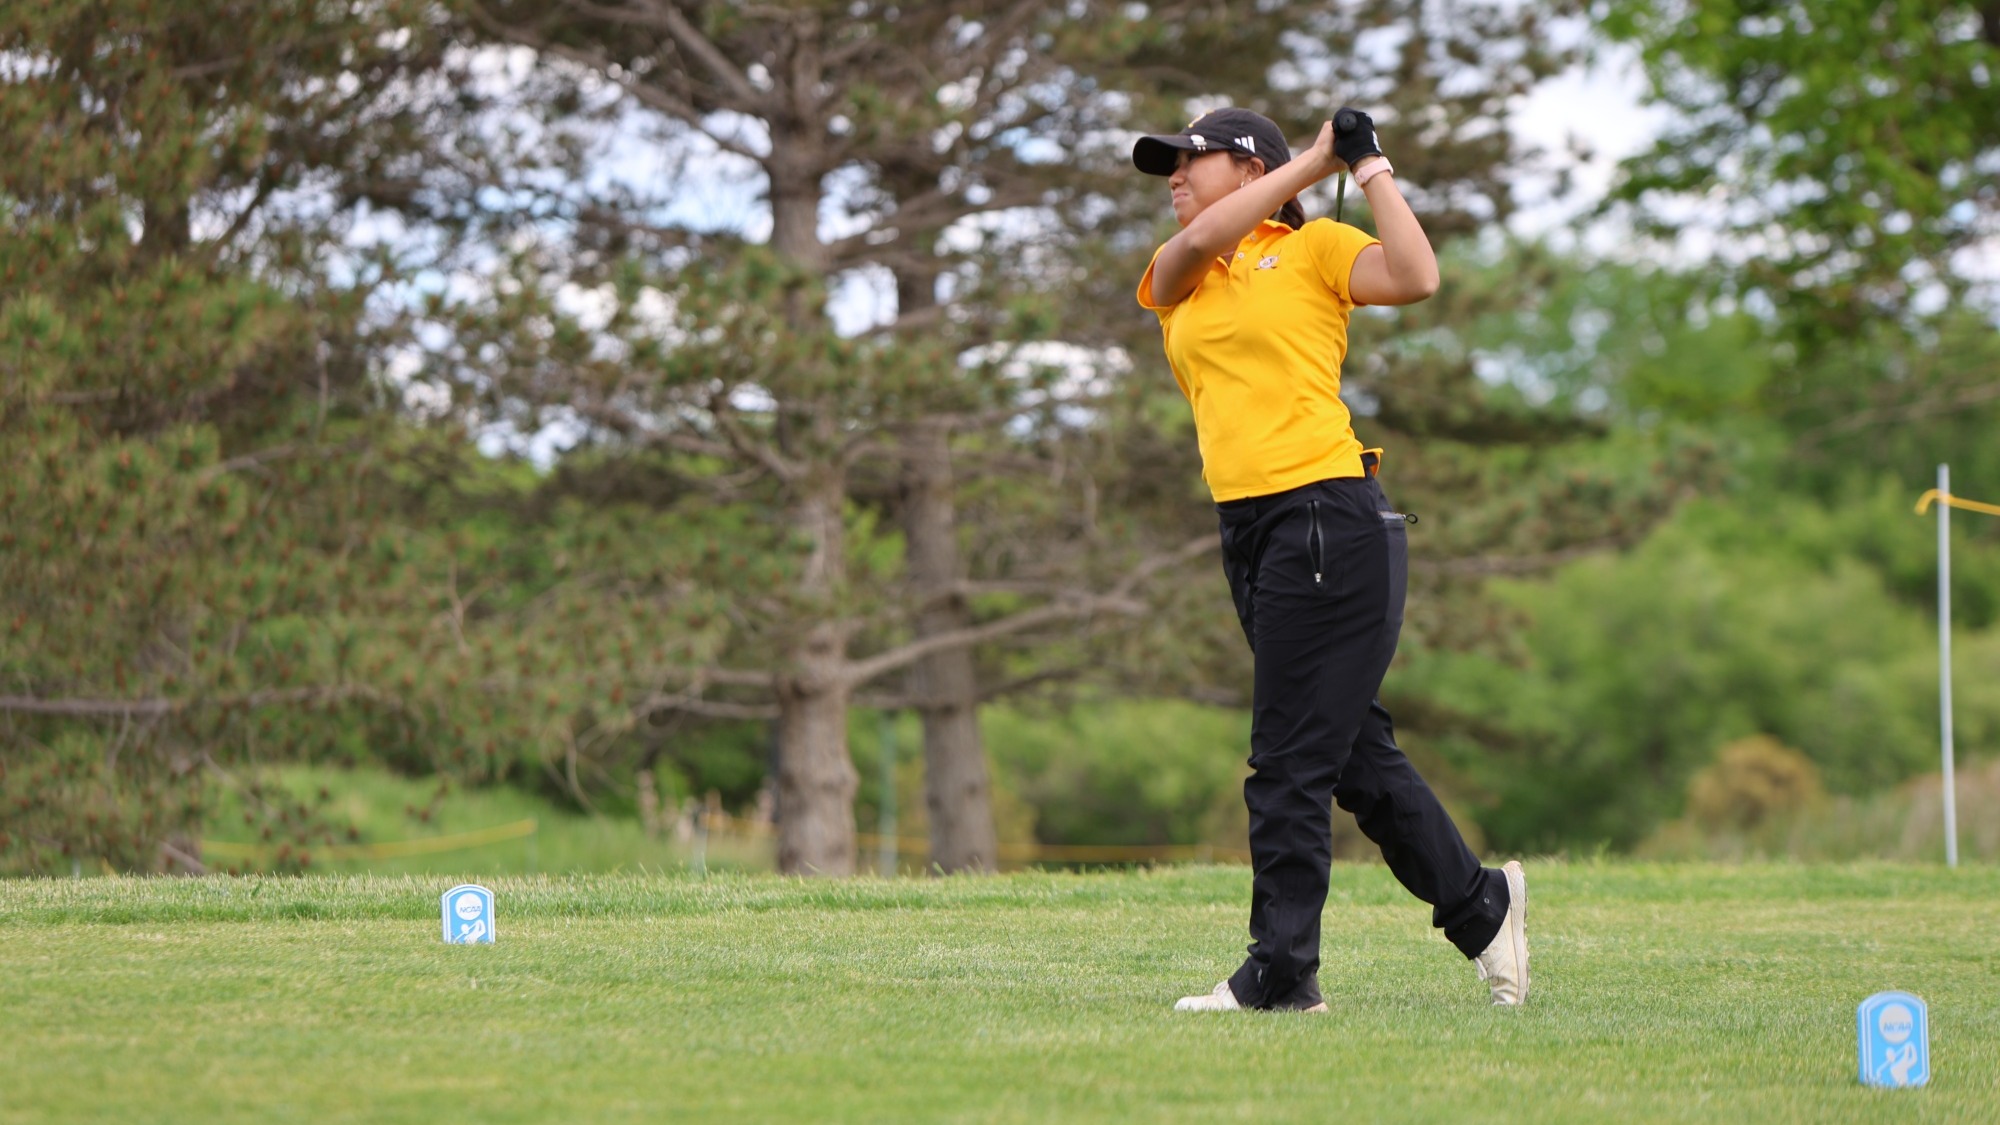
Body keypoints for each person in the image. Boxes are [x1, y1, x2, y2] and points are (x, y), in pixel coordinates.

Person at [1131, 106, 1528, 1011]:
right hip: (1252, 530)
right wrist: (1316, 159)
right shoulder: (1180, 272)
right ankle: (1481, 905)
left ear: (1248, 165)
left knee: (1287, 762)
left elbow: (1419, 275)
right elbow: (1196, 238)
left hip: (1324, 517)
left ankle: (1282, 971)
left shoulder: (1312, 252)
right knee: (1349, 756)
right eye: (1169, 167)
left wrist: (1370, 165)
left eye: (1191, 161)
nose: (1174, 178)